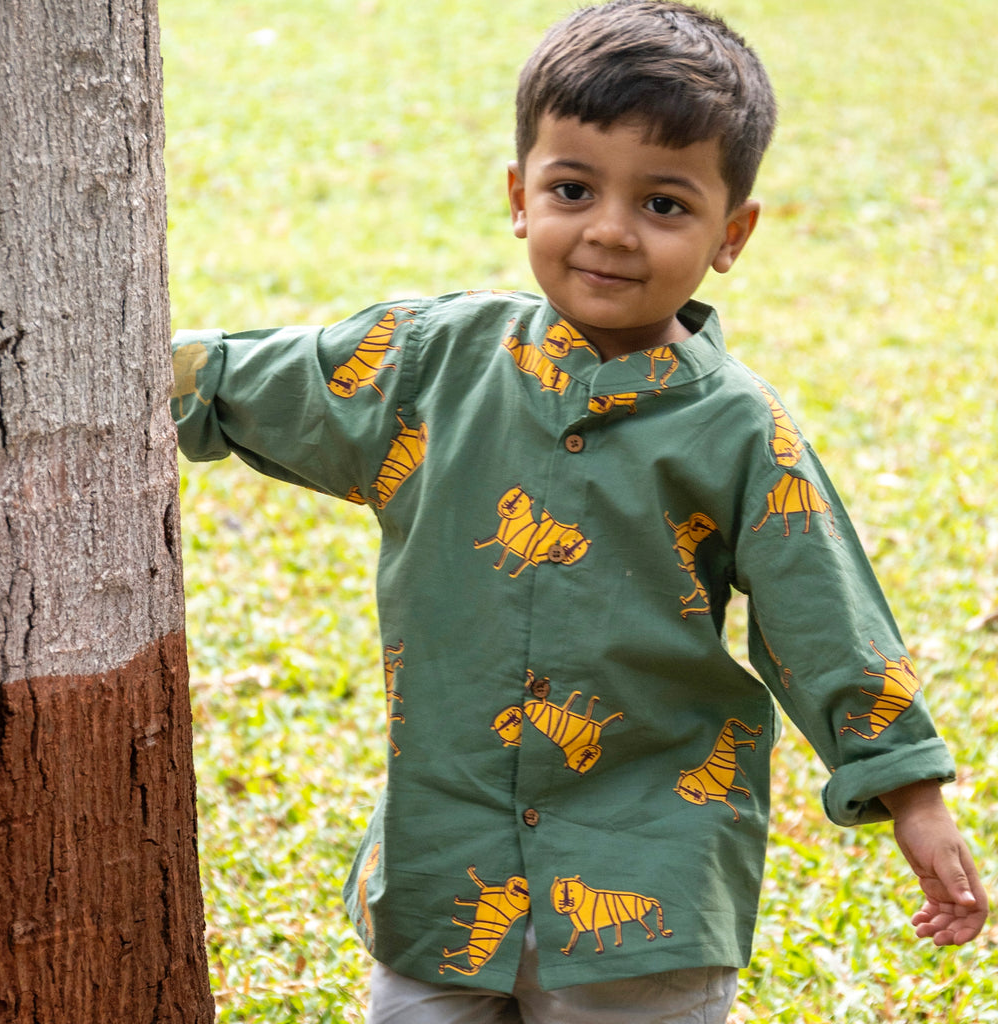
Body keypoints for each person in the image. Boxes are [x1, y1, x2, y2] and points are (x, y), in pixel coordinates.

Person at [171, 2, 988, 1020]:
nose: (608, 229)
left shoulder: (741, 430)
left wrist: (910, 792)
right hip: (442, 868)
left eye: (663, 204)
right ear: (519, 197)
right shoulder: (424, 364)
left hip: (645, 886)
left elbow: (821, 613)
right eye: (572, 188)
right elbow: (227, 382)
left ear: (731, 234)